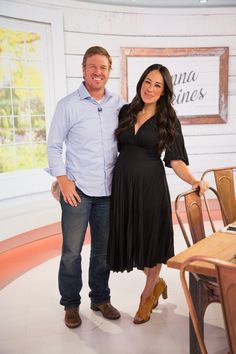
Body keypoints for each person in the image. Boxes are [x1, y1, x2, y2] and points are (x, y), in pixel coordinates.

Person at [107, 63, 209, 325]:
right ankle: (156, 283)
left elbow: (176, 161)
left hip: (151, 187)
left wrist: (195, 180)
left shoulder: (168, 119)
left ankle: (146, 298)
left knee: (151, 241)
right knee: (131, 239)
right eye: (147, 82)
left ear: (164, 92)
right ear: (141, 82)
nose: (150, 88)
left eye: (157, 85)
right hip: (124, 188)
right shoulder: (126, 112)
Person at [47, 46, 125, 328]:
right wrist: (64, 180)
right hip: (77, 192)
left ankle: (100, 298)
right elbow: (54, 146)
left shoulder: (119, 103)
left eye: (103, 67)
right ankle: (70, 304)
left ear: (109, 72)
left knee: (103, 251)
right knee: (71, 252)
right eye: (92, 66)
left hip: (108, 192)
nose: (98, 72)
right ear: (83, 69)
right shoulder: (68, 105)